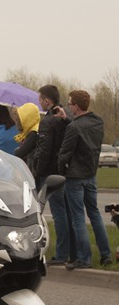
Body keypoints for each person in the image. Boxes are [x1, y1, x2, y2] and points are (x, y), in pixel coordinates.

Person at [55, 90, 113, 268]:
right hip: (90, 174)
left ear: (76, 106)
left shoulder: (74, 127)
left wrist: (60, 169)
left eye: (70, 103)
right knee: (94, 214)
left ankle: (83, 259)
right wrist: (67, 118)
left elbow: (65, 152)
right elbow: (82, 127)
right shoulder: (97, 121)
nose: (68, 106)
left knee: (78, 217)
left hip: (75, 176)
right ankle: (106, 254)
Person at [35, 84, 75, 265]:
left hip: (50, 172)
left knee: (57, 213)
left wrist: (38, 171)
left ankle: (61, 253)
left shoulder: (48, 121)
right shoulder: (68, 118)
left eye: (40, 99)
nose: (39, 103)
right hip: (66, 170)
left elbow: (44, 150)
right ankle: (71, 251)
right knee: (68, 212)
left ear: (47, 100)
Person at [13, 103, 41, 175]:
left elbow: (20, 153)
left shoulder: (34, 133)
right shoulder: (30, 131)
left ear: (27, 118)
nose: (17, 121)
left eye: (20, 119)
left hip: (32, 174)